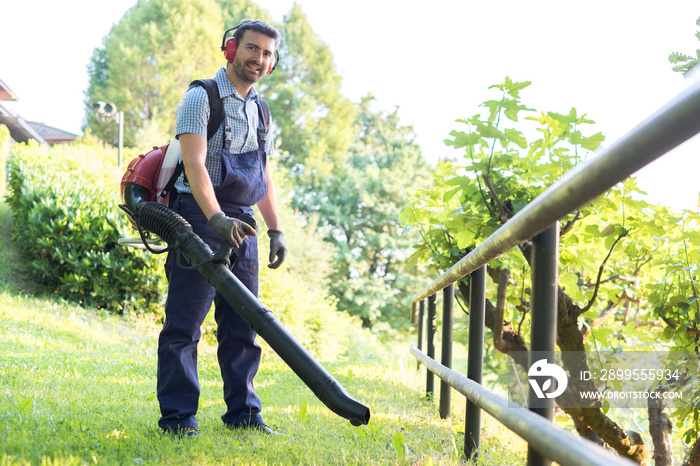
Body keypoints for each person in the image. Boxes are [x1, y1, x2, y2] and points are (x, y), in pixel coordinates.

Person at [157, 19, 287, 438]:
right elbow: (194, 166)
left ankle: (244, 414)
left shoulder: (262, 111)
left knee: (243, 325)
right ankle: (179, 419)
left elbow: (263, 176)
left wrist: (275, 229)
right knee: (185, 323)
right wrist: (214, 219)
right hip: (198, 215)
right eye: (252, 49)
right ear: (232, 49)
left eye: (267, 53)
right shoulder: (201, 98)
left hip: (242, 223)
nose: (259, 59)